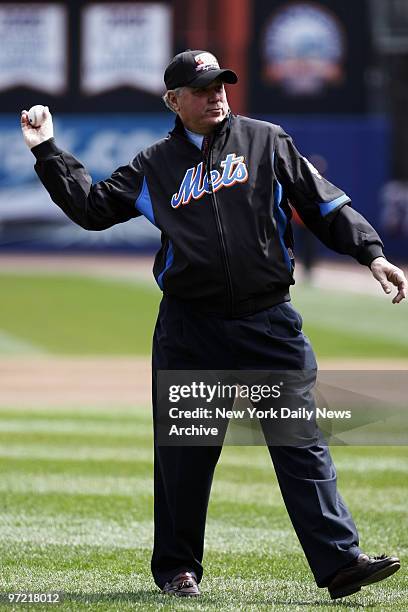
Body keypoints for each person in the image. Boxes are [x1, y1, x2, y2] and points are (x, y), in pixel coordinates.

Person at [21, 49, 406, 601]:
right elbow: (91, 208)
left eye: (221, 84)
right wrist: (47, 151)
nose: (216, 94)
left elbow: (324, 206)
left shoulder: (267, 141)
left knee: (301, 443)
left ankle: (341, 564)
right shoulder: (154, 165)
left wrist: (371, 253)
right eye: (202, 89)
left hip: (268, 322)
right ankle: (179, 569)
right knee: (186, 458)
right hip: (191, 328)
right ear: (173, 101)